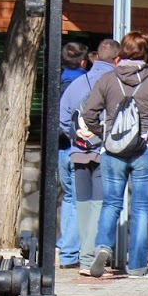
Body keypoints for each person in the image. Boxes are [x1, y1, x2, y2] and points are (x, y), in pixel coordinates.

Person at [82, 32, 148, 279]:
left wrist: (105, 135)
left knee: (111, 204)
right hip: (146, 149)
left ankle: (103, 247)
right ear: (146, 53)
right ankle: (137, 267)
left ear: (122, 51)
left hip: (113, 151)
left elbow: (89, 114)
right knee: (142, 208)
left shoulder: (106, 79)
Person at [58, 38, 118, 274]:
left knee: (78, 203)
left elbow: (63, 118)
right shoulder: (116, 83)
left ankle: (76, 256)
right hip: (106, 152)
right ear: (117, 59)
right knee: (102, 205)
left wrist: (77, 136)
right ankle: (95, 253)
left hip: (78, 152)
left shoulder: (76, 84)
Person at [55, 42, 91, 267]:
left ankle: (65, 245)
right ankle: (70, 253)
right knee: (80, 200)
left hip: (60, 147)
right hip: (78, 147)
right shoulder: (85, 83)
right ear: (83, 61)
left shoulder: (56, 81)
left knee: (69, 198)